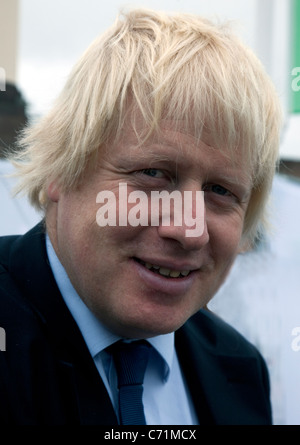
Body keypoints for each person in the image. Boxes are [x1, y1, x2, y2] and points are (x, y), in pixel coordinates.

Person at [0, 8, 282, 425]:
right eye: (153, 174)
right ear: (61, 169)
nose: (188, 230)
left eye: (220, 191)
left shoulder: (239, 371)